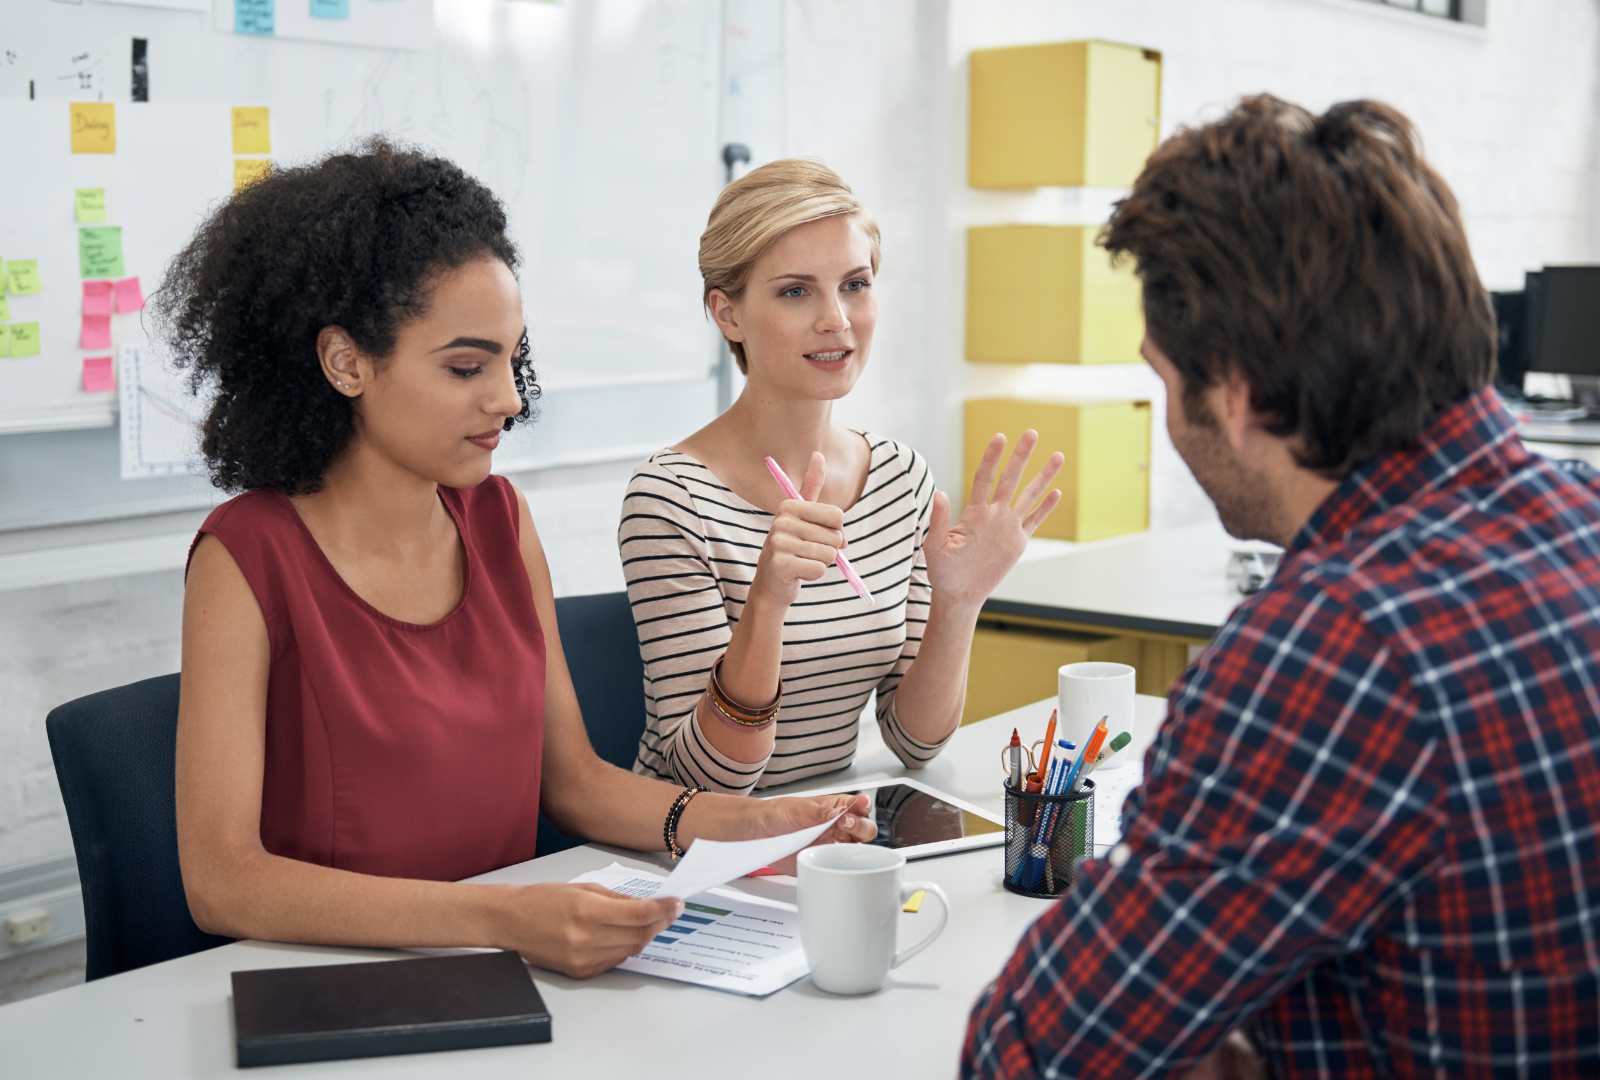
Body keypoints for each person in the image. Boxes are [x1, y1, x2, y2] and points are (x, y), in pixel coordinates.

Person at [964, 95, 1600, 1076]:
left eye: (1162, 381)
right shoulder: (1580, 518)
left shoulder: (1333, 652)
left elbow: (1030, 1058)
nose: (1167, 422)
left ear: (1235, 397)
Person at [161, 139, 874, 982]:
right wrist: (503, 918)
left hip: (504, 970)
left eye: (511, 359)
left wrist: (746, 825)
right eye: (468, 365)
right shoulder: (244, 557)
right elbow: (222, 883)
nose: (508, 398)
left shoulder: (499, 521)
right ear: (346, 361)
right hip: (326, 983)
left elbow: (572, 782)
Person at [619, 159, 1064, 793]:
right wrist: (768, 602)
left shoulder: (899, 478)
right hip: (690, 849)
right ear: (728, 314)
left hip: (826, 832)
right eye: (796, 291)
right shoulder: (670, 500)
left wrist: (959, 602)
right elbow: (711, 780)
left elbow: (915, 742)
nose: (838, 318)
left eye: (855, 284)